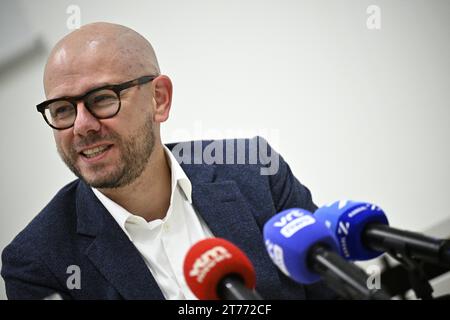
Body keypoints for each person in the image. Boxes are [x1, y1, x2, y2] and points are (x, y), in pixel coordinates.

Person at [1, 22, 335, 300]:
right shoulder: (37, 262)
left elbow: (333, 290)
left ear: (159, 99)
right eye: (63, 110)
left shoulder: (256, 172)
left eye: (101, 99)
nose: (82, 125)